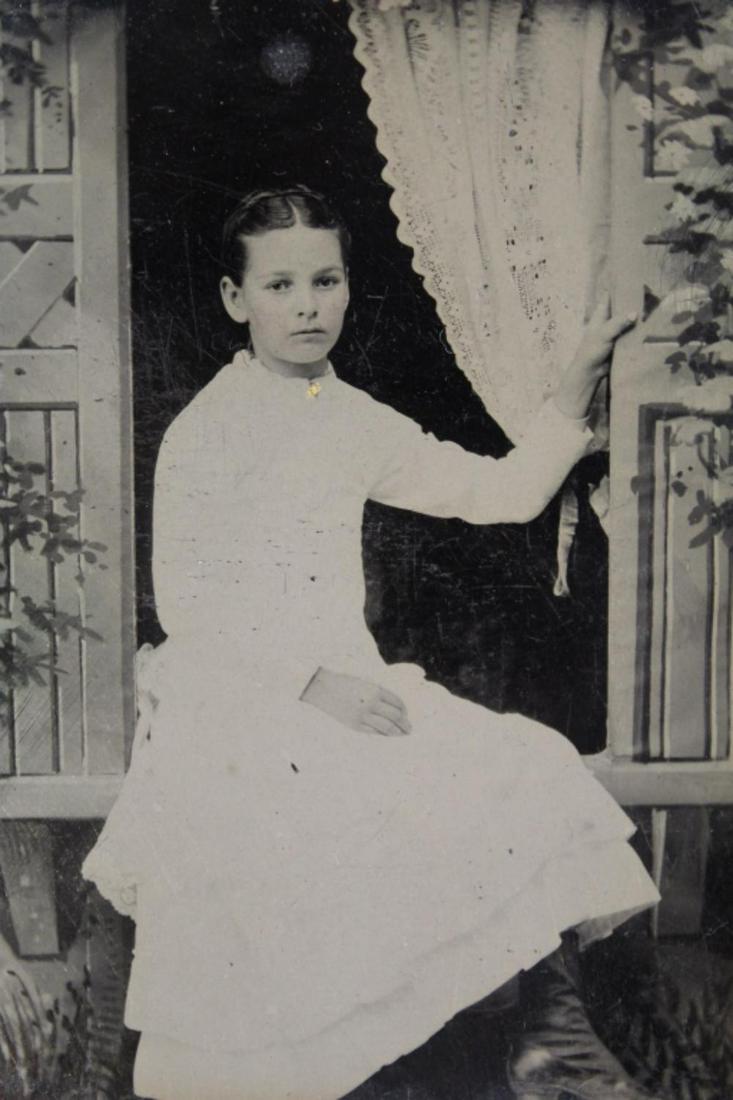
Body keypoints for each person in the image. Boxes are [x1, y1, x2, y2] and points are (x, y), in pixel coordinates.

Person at [83, 187, 663, 1100]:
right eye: (279, 285)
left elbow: (503, 494)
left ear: (349, 288)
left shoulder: (346, 413)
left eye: (325, 280)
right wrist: (309, 683)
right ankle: (356, 1068)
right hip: (237, 691)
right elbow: (188, 607)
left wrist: (577, 377)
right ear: (236, 299)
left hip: (346, 683)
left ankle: (548, 1039)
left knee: (520, 763)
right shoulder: (208, 429)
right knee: (315, 831)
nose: (306, 305)